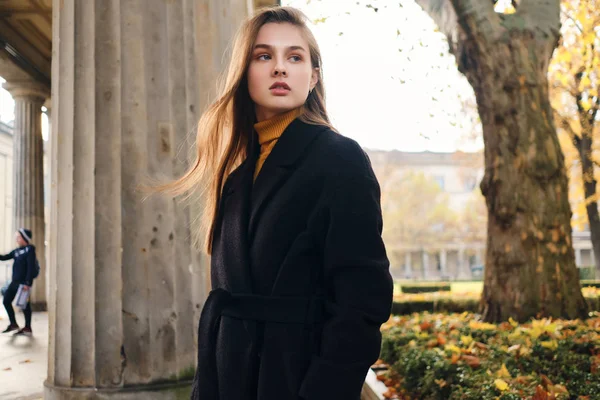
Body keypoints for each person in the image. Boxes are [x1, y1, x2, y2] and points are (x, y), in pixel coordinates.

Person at [159, 6, 393, 400]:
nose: (279, 68)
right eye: (264, 56)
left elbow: (361, 303)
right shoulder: (237, 176)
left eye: (295, 57)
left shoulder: (340, 159)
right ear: (244, 71)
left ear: (313, 76)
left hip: (294, 380)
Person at [0, 228, 36, 336]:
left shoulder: (30, 250)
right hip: (14, 282)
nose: (17, 239)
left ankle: (27, 327)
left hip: (23, 283)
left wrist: (28, 283)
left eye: (18, 237)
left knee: (25, 305)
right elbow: (4, 257)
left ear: (24, 238)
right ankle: (13, 323)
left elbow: (31, 267)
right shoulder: (16, 251)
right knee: (6, 301)